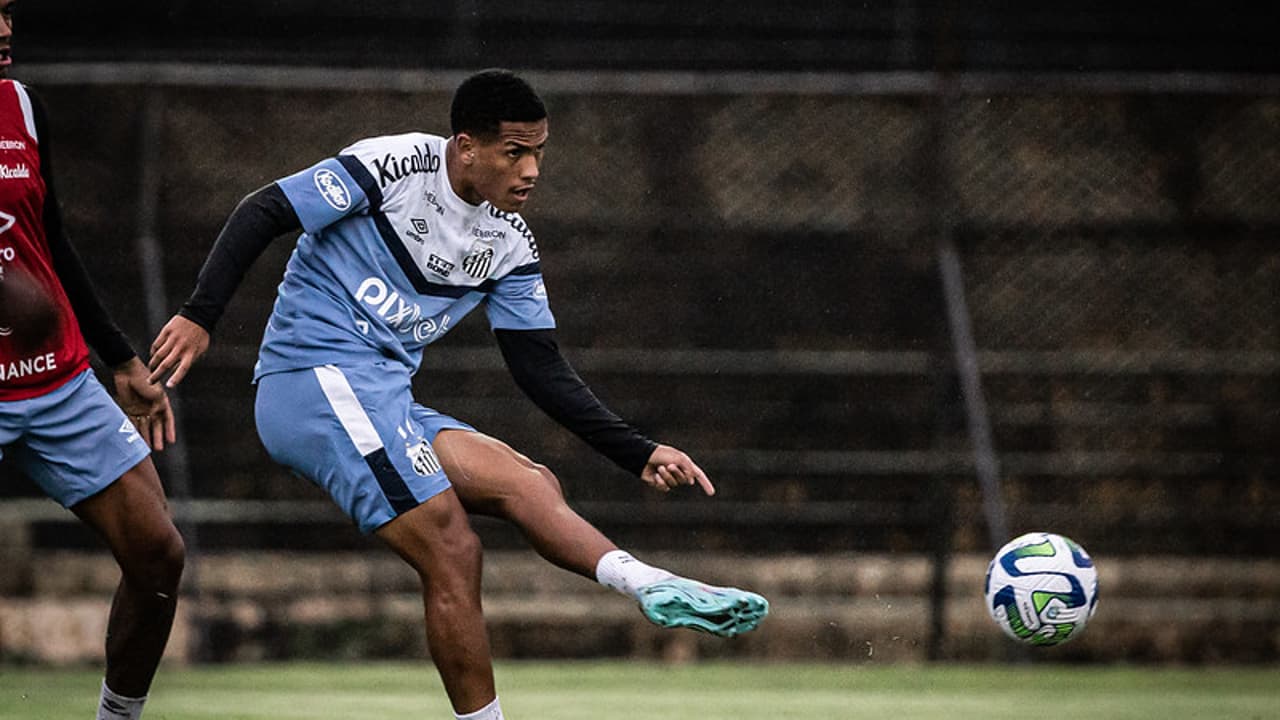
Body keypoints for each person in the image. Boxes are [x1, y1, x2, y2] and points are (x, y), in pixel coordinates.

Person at [148, 68, 767, 719]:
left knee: (531, 485)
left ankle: (648, 583)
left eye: (539, 152)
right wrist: (200, 314)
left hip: (385, 400)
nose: (531, 170)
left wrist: (636, 452)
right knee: (452, 547)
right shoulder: (391, 167)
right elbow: (265, 209)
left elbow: (540, 369)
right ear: (466, 146)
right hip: (311, 386)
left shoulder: (509, 242)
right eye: (515, 152)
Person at [0, 3, 186, 720]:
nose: (6, 29)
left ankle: (117, 718)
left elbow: (52, 240)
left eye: (10, 11)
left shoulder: (23, 107)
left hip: (56, 378)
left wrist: (121, 359)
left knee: (158, 555)